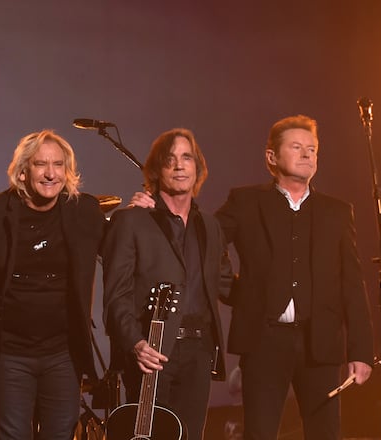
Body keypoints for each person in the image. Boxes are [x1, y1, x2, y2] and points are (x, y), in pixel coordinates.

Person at [214, 115, 373, 439]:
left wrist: (360, 350)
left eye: (312, 149)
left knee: (325, 432)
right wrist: (233, 289)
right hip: (264, 341)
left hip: (321, 343)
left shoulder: (337, 212)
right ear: (271, 157)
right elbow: (206, 239)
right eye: (297, 147)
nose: (307, 155)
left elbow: (352, 284)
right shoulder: (245, 202)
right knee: (259, 431)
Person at [0, 130, 105, 440]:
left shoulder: (83, 211)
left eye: (58, 164)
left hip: (62, 354)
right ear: (23, 170)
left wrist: (142, 211)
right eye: (41, 164)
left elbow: (120, 250)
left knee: (60, 433)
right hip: (10, 353)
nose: (51, 173)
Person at [102, 128, 233, 439]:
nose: (179, 165)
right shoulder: (131, 220)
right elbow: (115, 296)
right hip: (152, 350)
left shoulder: (210, 226)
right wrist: (136, 342)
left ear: (197, 168)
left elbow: (226, 284)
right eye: (170, 159)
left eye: (187, 158)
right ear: (156, 170)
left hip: (199, 352)